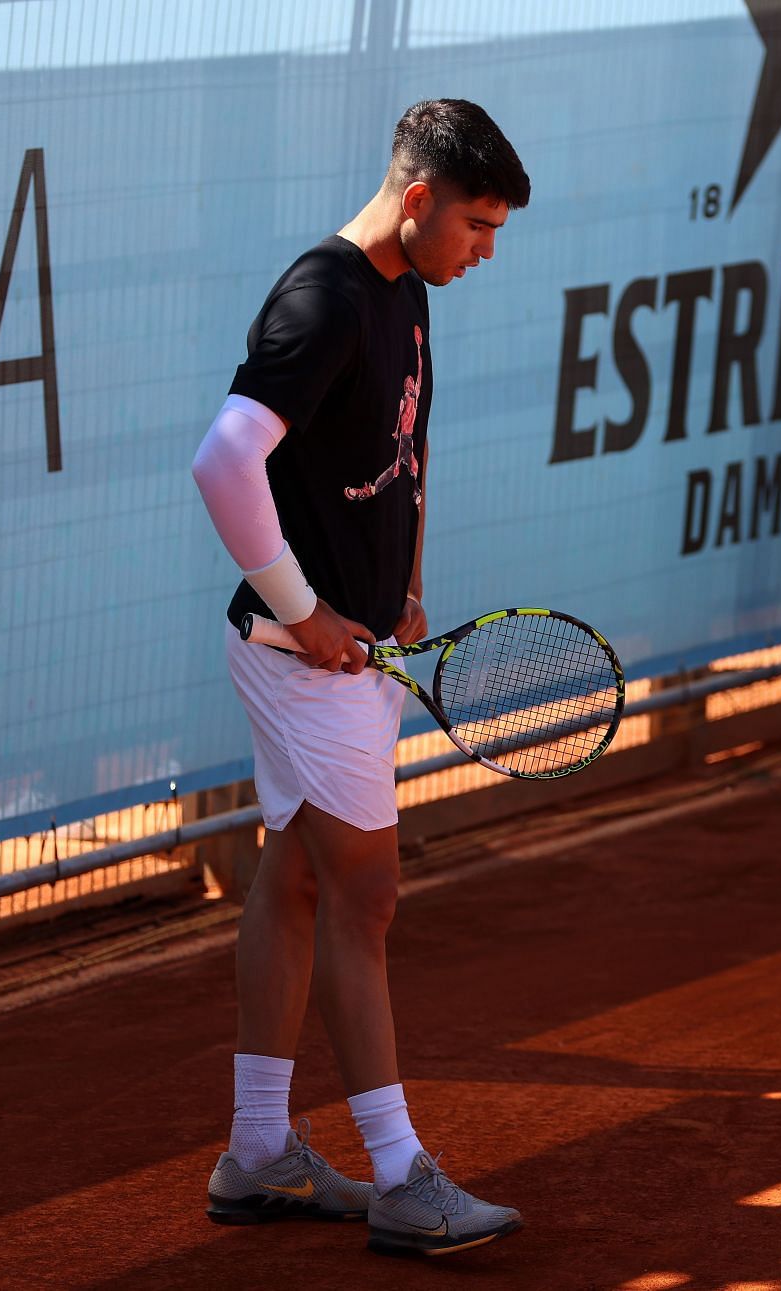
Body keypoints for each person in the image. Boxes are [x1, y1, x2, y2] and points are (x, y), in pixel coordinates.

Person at [190, 99, 531, 1256]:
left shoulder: (408, 294)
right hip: (305, 662)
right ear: (419, 199)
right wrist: (309, 611)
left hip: (359, 649)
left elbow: (401, 448)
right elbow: (224, 459)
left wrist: (404, 586)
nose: (486, 249)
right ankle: (400, 1173)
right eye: (478, 224)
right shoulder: (323, 296)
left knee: (294, 882)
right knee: (367, 897)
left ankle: (255, 1155)